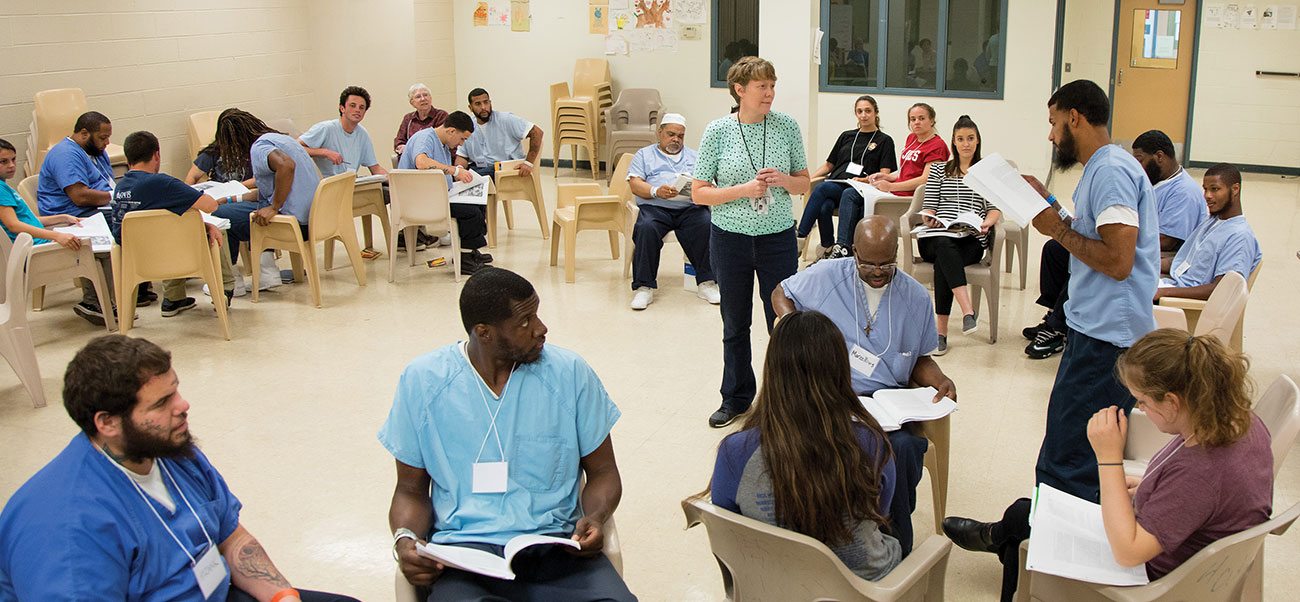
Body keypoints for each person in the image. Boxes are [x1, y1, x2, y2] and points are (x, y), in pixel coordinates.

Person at [944, 80, 1160, 598]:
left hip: (1106, 341)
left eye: (1053, 122)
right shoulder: (1105, 169)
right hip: (1100, 329)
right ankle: (1027, 540)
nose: (1051, 133)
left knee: (1069, 460)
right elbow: (1101, 240)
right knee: (1072, 452)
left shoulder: (1108, 170)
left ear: (1077, 119)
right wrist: (1053, 209)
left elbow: (1116, 259)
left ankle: (1045, 571)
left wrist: (1056, 230)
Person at [0, 335, 359, 601]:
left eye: (176, 391)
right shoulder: (67, 530)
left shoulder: (169, 448)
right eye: (162, 402)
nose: (183, 405)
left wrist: (283, 597)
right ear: (107, 423)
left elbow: (232, 537)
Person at [943, 329, 1272, 600]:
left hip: (1155, 580)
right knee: (1025, 515)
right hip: (1181, 549)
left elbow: (1130, 552)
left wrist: (1108, 457)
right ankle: (997, 538)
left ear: (1172, 401)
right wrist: (1150, 487)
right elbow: (1204, 501)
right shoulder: (1239, 422)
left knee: (1026, 521)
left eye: (1142, 401)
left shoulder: (1200, 473)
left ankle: (999, 545)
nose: (1139, 407)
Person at [380, 267, 635, 601]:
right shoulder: (423, 382)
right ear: (484, 333)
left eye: (537, 315)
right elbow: (410, 489)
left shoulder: (570, 375)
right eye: (525, 322)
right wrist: (405, 539)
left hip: (559, 548)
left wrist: (596, 518)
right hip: (464, 559)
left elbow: (602, 471)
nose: (541, 329)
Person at [773, 215, 957, 556]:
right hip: (832, 395)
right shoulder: (828, 275)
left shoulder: (915, 297)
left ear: (898, 252)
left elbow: (917, 359)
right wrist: (790, 323)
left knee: (902, 449)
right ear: (854, 252)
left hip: (889, 403)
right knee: (829, 441)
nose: (876, 272)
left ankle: (894, 540)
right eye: (867, 264)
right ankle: (834, 537)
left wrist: (941, 380)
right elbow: (781, 292)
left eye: (886, 264)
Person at [709, 310, 902, 580]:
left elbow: (728, 532)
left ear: (773, 371)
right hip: (861, 589)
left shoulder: (735, 452)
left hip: (771, 587)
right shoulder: (871, 443)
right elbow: (880, 513)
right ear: (840, 372)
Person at [693, 56, 810, 428]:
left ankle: (787, 401)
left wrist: (783, 181)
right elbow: (699, 193)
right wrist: (743, 190)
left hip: (777, 238)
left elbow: (804, 183)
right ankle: (736, 397)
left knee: (783, 321)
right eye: (763, 87)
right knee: (735, 322)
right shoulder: (717, 131)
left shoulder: (787, 127)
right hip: (730, 240)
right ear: (740, 90)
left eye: (773, 85)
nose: (770, 93)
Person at [110, 130, 236, 316]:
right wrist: (206, 225)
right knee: (217, 230)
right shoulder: (161, 183)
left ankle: (173, 299)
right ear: (156, 155)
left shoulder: (120, 187)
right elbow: (210, 206)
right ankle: (225, 290)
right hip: (170, 257)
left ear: (128, 159)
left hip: (135, 260)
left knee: (177, 229)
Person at [915, 115, 1001, 353]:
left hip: (970, 240)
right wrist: (928, 217)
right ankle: (968, 311)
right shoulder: (940, 170)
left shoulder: (985, 173)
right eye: (961, 139)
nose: (966, 144)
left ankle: (940, 334)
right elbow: (930, 205)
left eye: (970, 138)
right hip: (937, 234)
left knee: (945, 257)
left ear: (978, 141)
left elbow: (994, 209)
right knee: (943, 244)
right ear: (953, 142)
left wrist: (986, 223)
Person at [627, 113, 718, 310]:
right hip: (655, 207)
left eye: (680, 135)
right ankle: (644, 287)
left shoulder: (695, 156)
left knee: (706, 224)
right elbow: (635, 184)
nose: (676, 139)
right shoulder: (644, 155)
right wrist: (655, 191)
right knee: (646, 227)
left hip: (689, 208)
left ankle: (707, 283)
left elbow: (708, 183)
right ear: (659, 133)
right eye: (671, 134)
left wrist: (702, 190)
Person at [797, 95, 897, 259]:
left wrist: (864, 180)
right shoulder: (846, 136)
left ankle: (801, 236)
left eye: (867, 111)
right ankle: (829, 248)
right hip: (837, 183)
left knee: (824, 188)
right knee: (825, 205)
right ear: (856, 114)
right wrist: (807, 181)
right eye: (859, 111)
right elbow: (828, 165)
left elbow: (885, 174)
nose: (863, 115)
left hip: (861, 189)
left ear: (875, 113)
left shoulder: (884, 140)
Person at [399, 111, 494, 275]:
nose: (461, 143)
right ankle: (465, 260)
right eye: (462, 139)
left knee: (478, 204)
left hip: (435, 196)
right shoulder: (425, 138)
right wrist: (454, 171)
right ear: (451, 131)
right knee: (470, 212)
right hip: (419, 202)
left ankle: (470, 250)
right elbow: (421, 162)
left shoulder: (442, 145)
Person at [1155, 163, 1261, 301]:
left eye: (1215, 189)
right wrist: (1145, 264)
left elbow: (1223, 290)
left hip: (1181, 303)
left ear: (1235, 189)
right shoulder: (1212, 222)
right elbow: (1183, 263)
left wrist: (1163, 292)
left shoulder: (1240, 237)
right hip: (1172, 284)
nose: (1207, 196)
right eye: (1205, 189)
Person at [250, 120, 323, 288]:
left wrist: (274, 207)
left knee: (232, 217)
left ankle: (234, 284)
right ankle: (268, 273)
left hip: (297, 225)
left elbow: (286, 165)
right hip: (316, 218)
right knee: (248, 206)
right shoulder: (284, 140)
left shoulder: (259, 147)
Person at [1130, 129, 1207, 253]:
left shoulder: (1183, 192)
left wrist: (1120, 240)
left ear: (1159, 156)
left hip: (1167, 261)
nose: (1137, 168)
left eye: (1140, 161)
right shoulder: (1155, 182)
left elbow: (1165, 241)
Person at [0, 137, 83, 250]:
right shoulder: (1, 190)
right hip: (34, 249)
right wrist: (57, 236)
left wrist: (63, 218)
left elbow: (28, 221)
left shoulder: (3, 186)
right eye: (4, 161)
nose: (11, 165)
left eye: (13, 159)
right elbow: (13, 225)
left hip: (38, 243)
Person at [37, 111, 115, 218]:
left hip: (100, 206)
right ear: (84, 134)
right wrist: (116, 196)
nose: (107, 142)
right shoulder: (65, 154)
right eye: (102, 138)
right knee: (128, 219)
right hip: (73, 214)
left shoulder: (96, 150)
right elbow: (80, 197)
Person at [299, 86, 388, 180]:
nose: (357, 110)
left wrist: (395, 181)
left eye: (362, 107)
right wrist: (324, 152)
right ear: (342, 108)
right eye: (352, 105)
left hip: (350, 185)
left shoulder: (363, 134)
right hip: (326, 186)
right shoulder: (326, 128)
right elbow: (295, 147)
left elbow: (375, 168)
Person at [864, 103, 948, 200]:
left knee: (853, 196)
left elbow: (925, 180)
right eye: (913, 119)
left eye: (921, 118)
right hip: (897, 190)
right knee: (855, 194)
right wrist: (888, 177)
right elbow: (908, 172)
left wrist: (890, 186)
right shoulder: (912, 138)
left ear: (932, 120)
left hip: (912, 197)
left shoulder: (937, 145)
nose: (916, 122)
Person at [454, 88, 543, 179]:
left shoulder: (506, 119)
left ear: (490, 103)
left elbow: (537, 132)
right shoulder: (468, 126)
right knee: (454, 176)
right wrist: (459, 169)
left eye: (486, 102)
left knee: (474, 177)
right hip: (480, 169)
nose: (483, 107)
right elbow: (462, 156)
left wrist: (528, 163)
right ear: (470, 108)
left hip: (505, 169)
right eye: (478, 104)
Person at [184, 107, 257, 189]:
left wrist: (236, 187)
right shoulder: (215, 150)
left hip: (245, 190)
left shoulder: (255, 148)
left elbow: (258, 180)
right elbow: (192, 177)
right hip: (219, 191)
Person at [394, 83, 449, 156]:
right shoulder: (408, 118)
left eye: (426, 95)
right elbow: (399, 141)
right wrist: (402, 147)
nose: (423, 99)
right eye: (418, 97)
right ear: (412, 103)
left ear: (430, 98)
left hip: (433, 158)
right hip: (411, 159)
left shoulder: (441, 115)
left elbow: (440, 142)